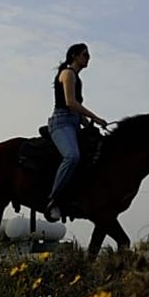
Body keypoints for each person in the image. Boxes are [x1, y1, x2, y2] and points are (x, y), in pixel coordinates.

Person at [47, 43, 109, 220]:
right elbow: (70, 103)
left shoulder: (77, 79)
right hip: (61, 123)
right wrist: (95, 117)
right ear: (74, 56)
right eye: (85, 54)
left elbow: (76, 111)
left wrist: (89, 125)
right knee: (72, 156)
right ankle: (53, 199)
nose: (88, 58)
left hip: (74, 123)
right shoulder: (67, 74)